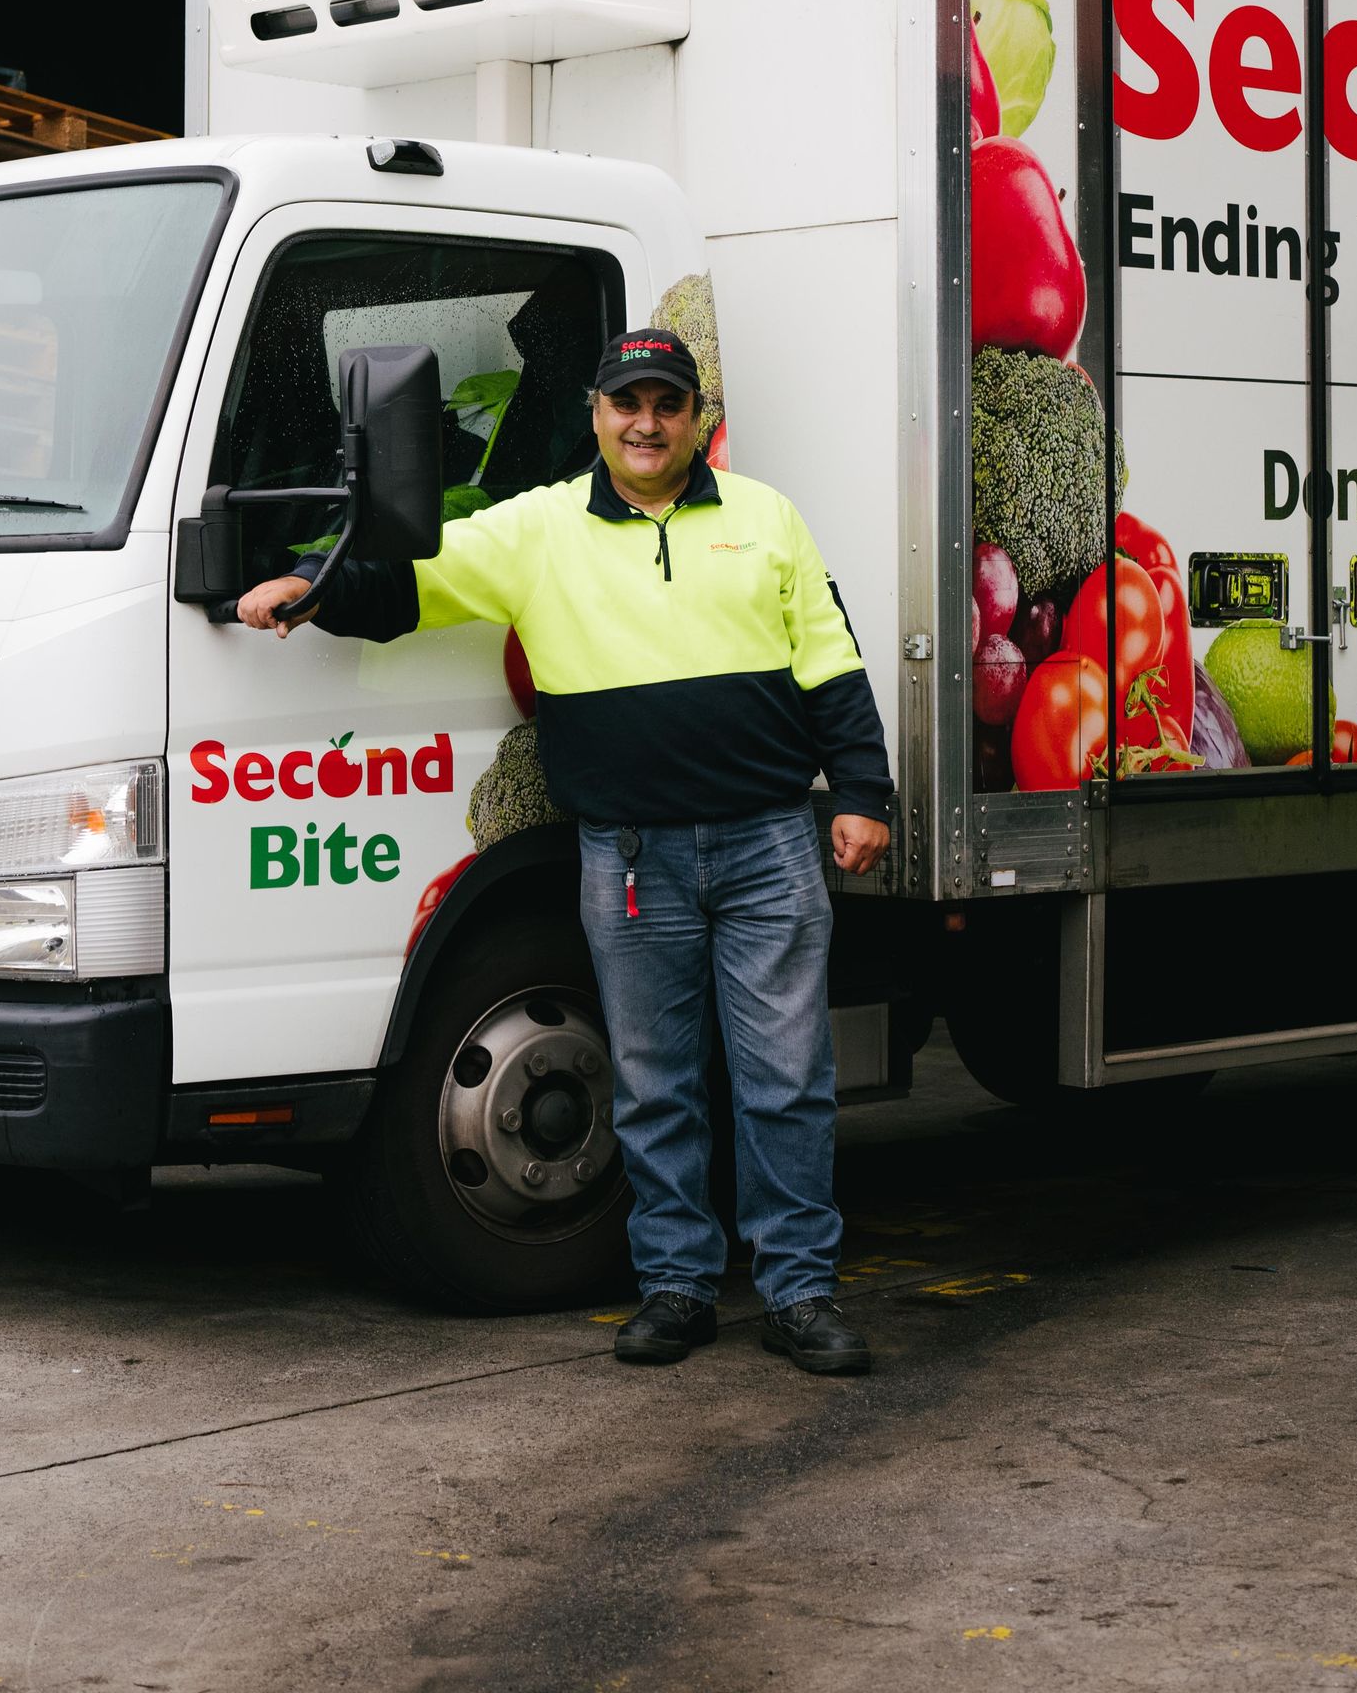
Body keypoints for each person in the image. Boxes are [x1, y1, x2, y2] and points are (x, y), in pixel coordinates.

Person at [237, 326, 892, 1375]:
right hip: (632, 858)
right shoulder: (539, 530)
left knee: (785, 1080)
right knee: (653, 1080)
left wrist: (862, 790)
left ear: (695, 419)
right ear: (595, 414)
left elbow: (831, 659)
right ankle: (676, 1285)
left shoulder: (766, 517)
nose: (646, 422)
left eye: (666, 404)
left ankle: (799, 1291)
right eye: (627, 402)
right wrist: (311, 590)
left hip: (770, 841)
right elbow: (414, 582)